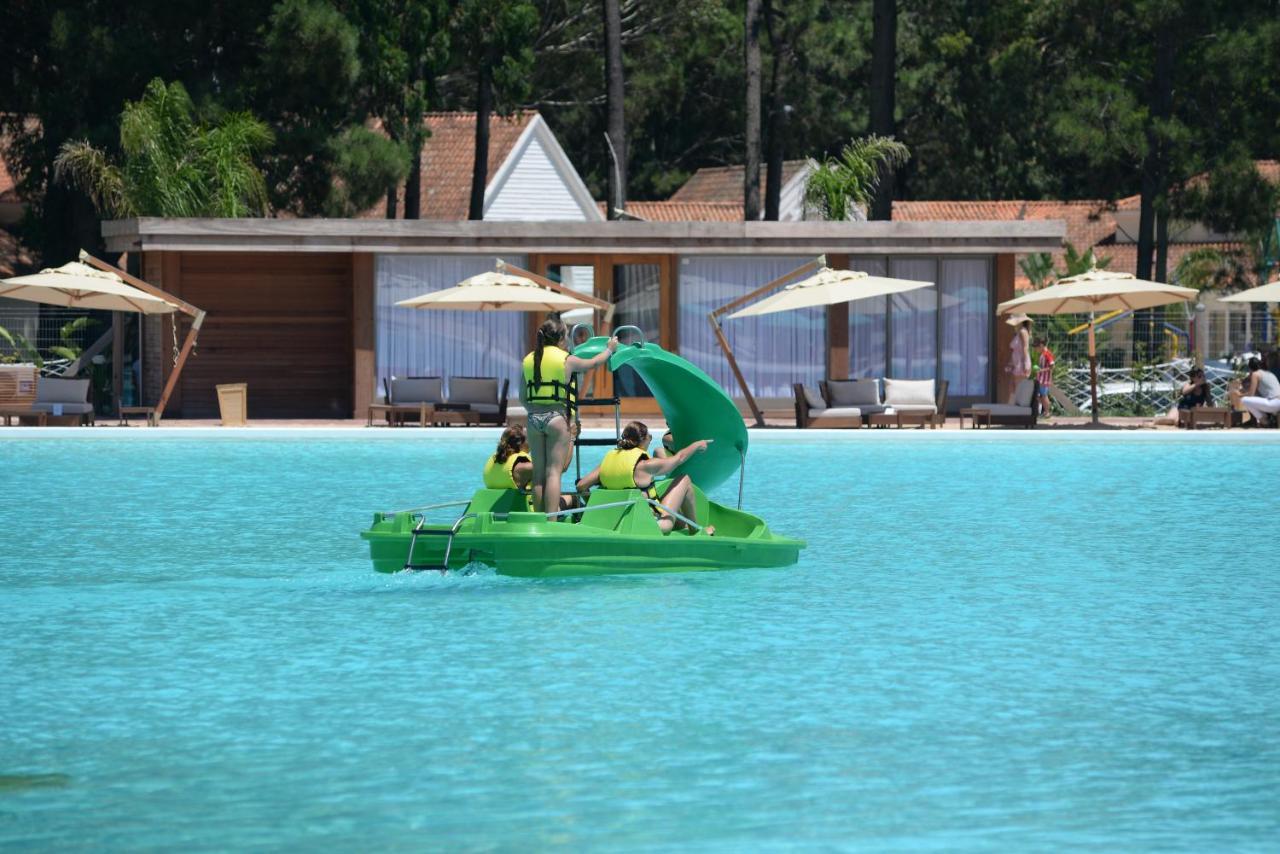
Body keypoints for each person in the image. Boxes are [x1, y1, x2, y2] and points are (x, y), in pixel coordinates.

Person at [522, 314, 617, 513]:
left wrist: (534, 412)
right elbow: (594, 363)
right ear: (561, 339)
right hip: (556, 419)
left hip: (533, 419)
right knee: (553, 473)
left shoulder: (529, 360)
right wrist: (609, 349)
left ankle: (537, 519)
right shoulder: (566, 359)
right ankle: (551, 521)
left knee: (538, 474)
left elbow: (523, 397)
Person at [575, 421, 715, 535]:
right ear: (644, 440)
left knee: (678, 519)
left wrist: (594, 508)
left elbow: (581, 486)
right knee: (684, 480)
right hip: (652, 524)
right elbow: (679, 458)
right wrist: (697, 445)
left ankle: (684, 525)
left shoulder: (607, 462)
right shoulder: (645, 465)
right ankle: (696, 531)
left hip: (615, 522)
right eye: (650, 437)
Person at [483, 424, 533, 491]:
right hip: (517, 501)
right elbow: (549, 471)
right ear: (521, 443)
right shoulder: (524, 467)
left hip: (491, 500)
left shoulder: (494, 461)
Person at [1237, 356, 1280, 426]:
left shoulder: (1255, 374)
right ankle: (1267, 419)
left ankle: (1265, 421)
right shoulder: (1268, 373)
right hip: (1277, 402)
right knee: (1254, 399)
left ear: (1250, 368)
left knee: (1244, 400)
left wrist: (1239, 394)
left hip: (1274, 403)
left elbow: (1251, 394)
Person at [1006, 316, 1032, 404]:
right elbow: (1014, 350)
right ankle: (1011, 406)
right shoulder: (1018, 332)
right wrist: (1010, 362)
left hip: (1021, 362)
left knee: (1017, 386)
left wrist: (1025, 363)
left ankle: (1017, 408)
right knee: (1012, 386)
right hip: (1016, 362)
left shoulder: (1023, 331)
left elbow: (1025, 348)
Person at [1033, 337, 1055, 417]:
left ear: (1041, 345)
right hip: (1041, 379)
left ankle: (1047, 412)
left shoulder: (1047, 354)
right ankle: (1045, 411)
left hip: (1044, 379)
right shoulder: (1042, 354)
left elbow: (1052, 366)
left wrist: (1041, 370)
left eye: (1036, 347)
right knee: (1040, 396)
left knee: (1044, 395)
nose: (1035, 349)